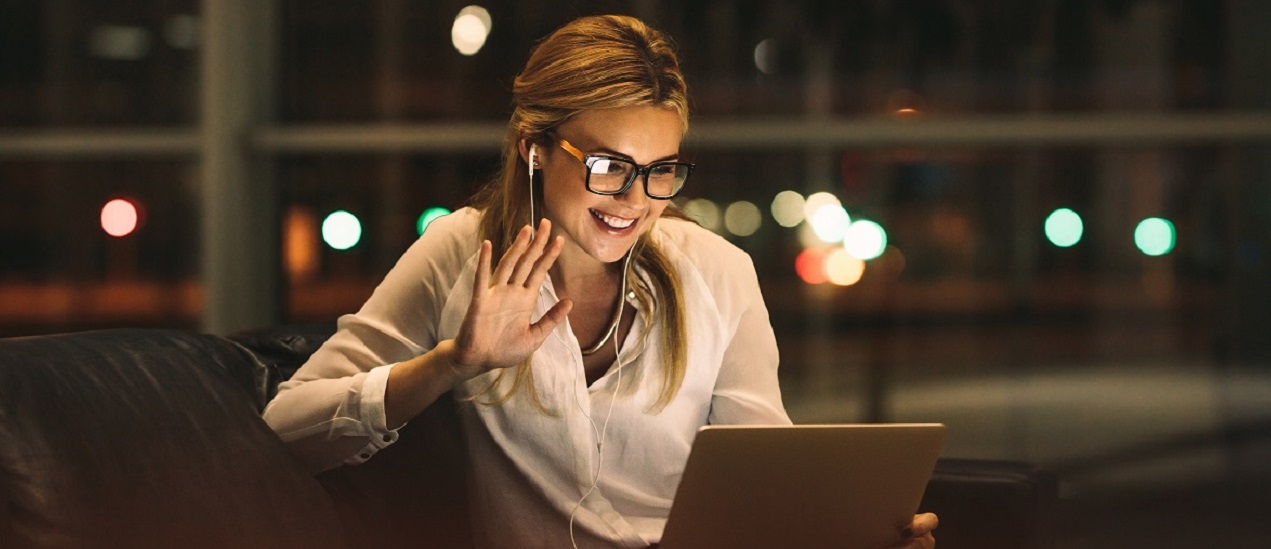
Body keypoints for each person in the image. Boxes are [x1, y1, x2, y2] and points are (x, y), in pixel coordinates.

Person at [263, 14, 936, 549]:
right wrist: (450, 363)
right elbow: (288, 430)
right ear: (533, 146)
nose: (635, 200)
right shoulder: (461, 252)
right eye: (610, 165)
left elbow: (766, 485)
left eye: (660, 170)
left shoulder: (718, 273)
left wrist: (852, 535)